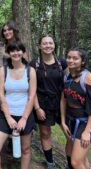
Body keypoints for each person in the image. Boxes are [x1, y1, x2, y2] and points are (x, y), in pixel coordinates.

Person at [0, 41, 36, 169]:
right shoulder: (3, 70)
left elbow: (32, 96)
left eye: (19, 50)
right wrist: (8, 117)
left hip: (25, 114)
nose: (16, 53)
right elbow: (1, 95)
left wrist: (24, 118)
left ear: (23, 52)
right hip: (6, 114)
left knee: (25, 149)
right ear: (9, 53)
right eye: (13, 50)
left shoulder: (30, 71)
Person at [30, 35, 67, 169]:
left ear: (54, 45)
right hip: (42, 103)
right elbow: (31, 89)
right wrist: (37, 108)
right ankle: (50, 163)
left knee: (69, 132)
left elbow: (69, 82)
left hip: (61, 102)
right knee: (45, 133)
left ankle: (71, 162)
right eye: (44, 43)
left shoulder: (62, 63)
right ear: (40, 46)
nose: (47, 46)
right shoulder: (34, 64)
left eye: (50, 43)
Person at [60, 47, 91, 169]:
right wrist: (62, 121)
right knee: (73, 154)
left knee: (76, 162)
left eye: (75, 58)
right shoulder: (67, 75)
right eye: (69, 57)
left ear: (82, 61)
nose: (71, 60)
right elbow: (63, 99)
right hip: (70, 119)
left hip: (85, 123)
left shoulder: (89, 78)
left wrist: (87, 132)